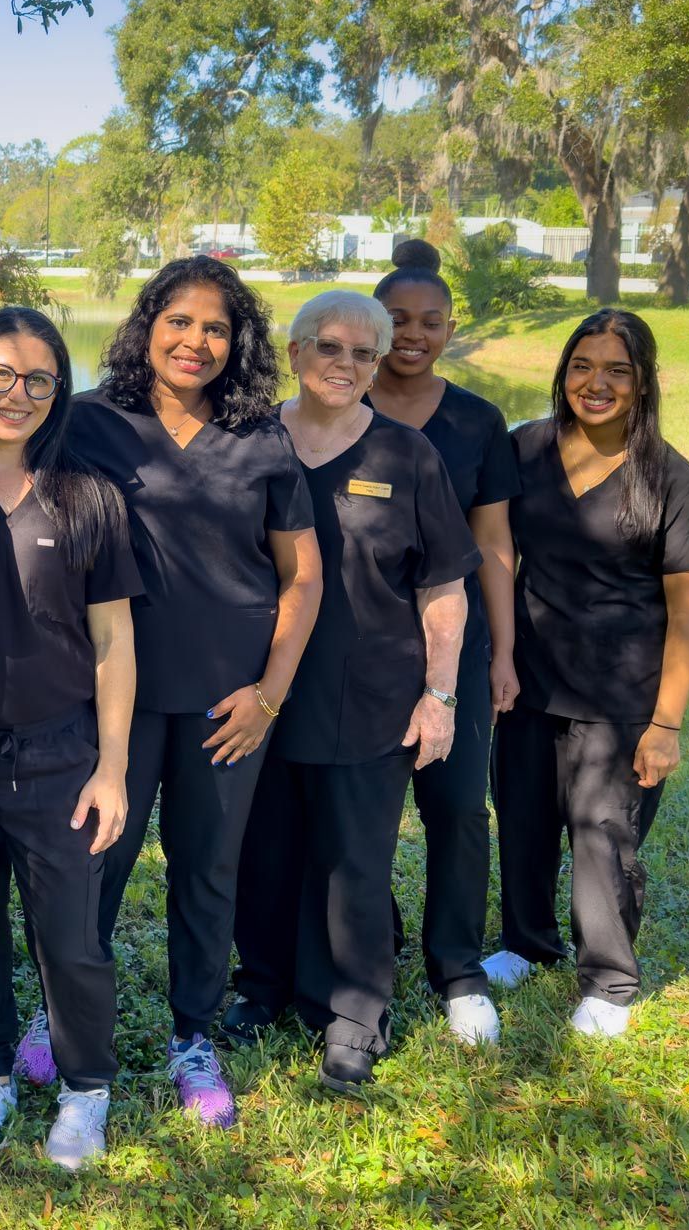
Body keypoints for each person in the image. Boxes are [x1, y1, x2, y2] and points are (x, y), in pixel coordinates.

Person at [65, 256, 321, 1128]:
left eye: (217, 327)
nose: (196, 341)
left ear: (237, 342)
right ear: (148, 325)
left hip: (225, 707)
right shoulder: (88, 423)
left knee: (208, 875)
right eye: (179, 321)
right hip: (114, 700)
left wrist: (268, 694)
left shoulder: (262, 440)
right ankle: (61, 1010)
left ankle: (191, 1036)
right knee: (94, 862)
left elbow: (303, 579)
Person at [231, 290, 481, 1092]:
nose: (346, 366)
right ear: (297, 352)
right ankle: (263, 989)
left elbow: (445, 589)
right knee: (262, 856)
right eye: (330, 348)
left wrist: (439, 697)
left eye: (363, 355)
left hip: (368, 695)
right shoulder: (249, 442)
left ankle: (352, 1016)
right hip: (256, 694)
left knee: (354, 864)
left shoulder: (408, 457)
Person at [0, 308, 138, 1172]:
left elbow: (115, 641)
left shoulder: (88, 496)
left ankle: (86, 1088)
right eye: (0, 374)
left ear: (61, 389)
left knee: (69, 935)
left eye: (38, 378)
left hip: (58, 751)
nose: (16, 394)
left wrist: (113, 767)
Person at [486, 309, 689, 1038]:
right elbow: (496, 550)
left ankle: (610, 981)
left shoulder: (671, 478)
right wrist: (497, 657)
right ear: (562, 371)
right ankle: (526, 942)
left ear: (644, 383)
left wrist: (666, 723)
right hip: (527, 679)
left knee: (603, 837)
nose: (597, 383)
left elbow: (686, 616)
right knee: (521, 821)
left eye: (618, 370)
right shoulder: (523, 450)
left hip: (621, 694)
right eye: (583, 365)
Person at [363, 239, 521, 1046]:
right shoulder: (339, 408)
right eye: (396, 321)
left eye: (429, 322)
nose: (412, 335)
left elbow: (494, 545)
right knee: (360, 814)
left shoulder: (477, 422)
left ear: (451, 330)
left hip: (453, 648)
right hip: (355, 650)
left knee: (458, 805)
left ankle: (457, 970)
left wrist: (502, 652)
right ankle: (370, 951)